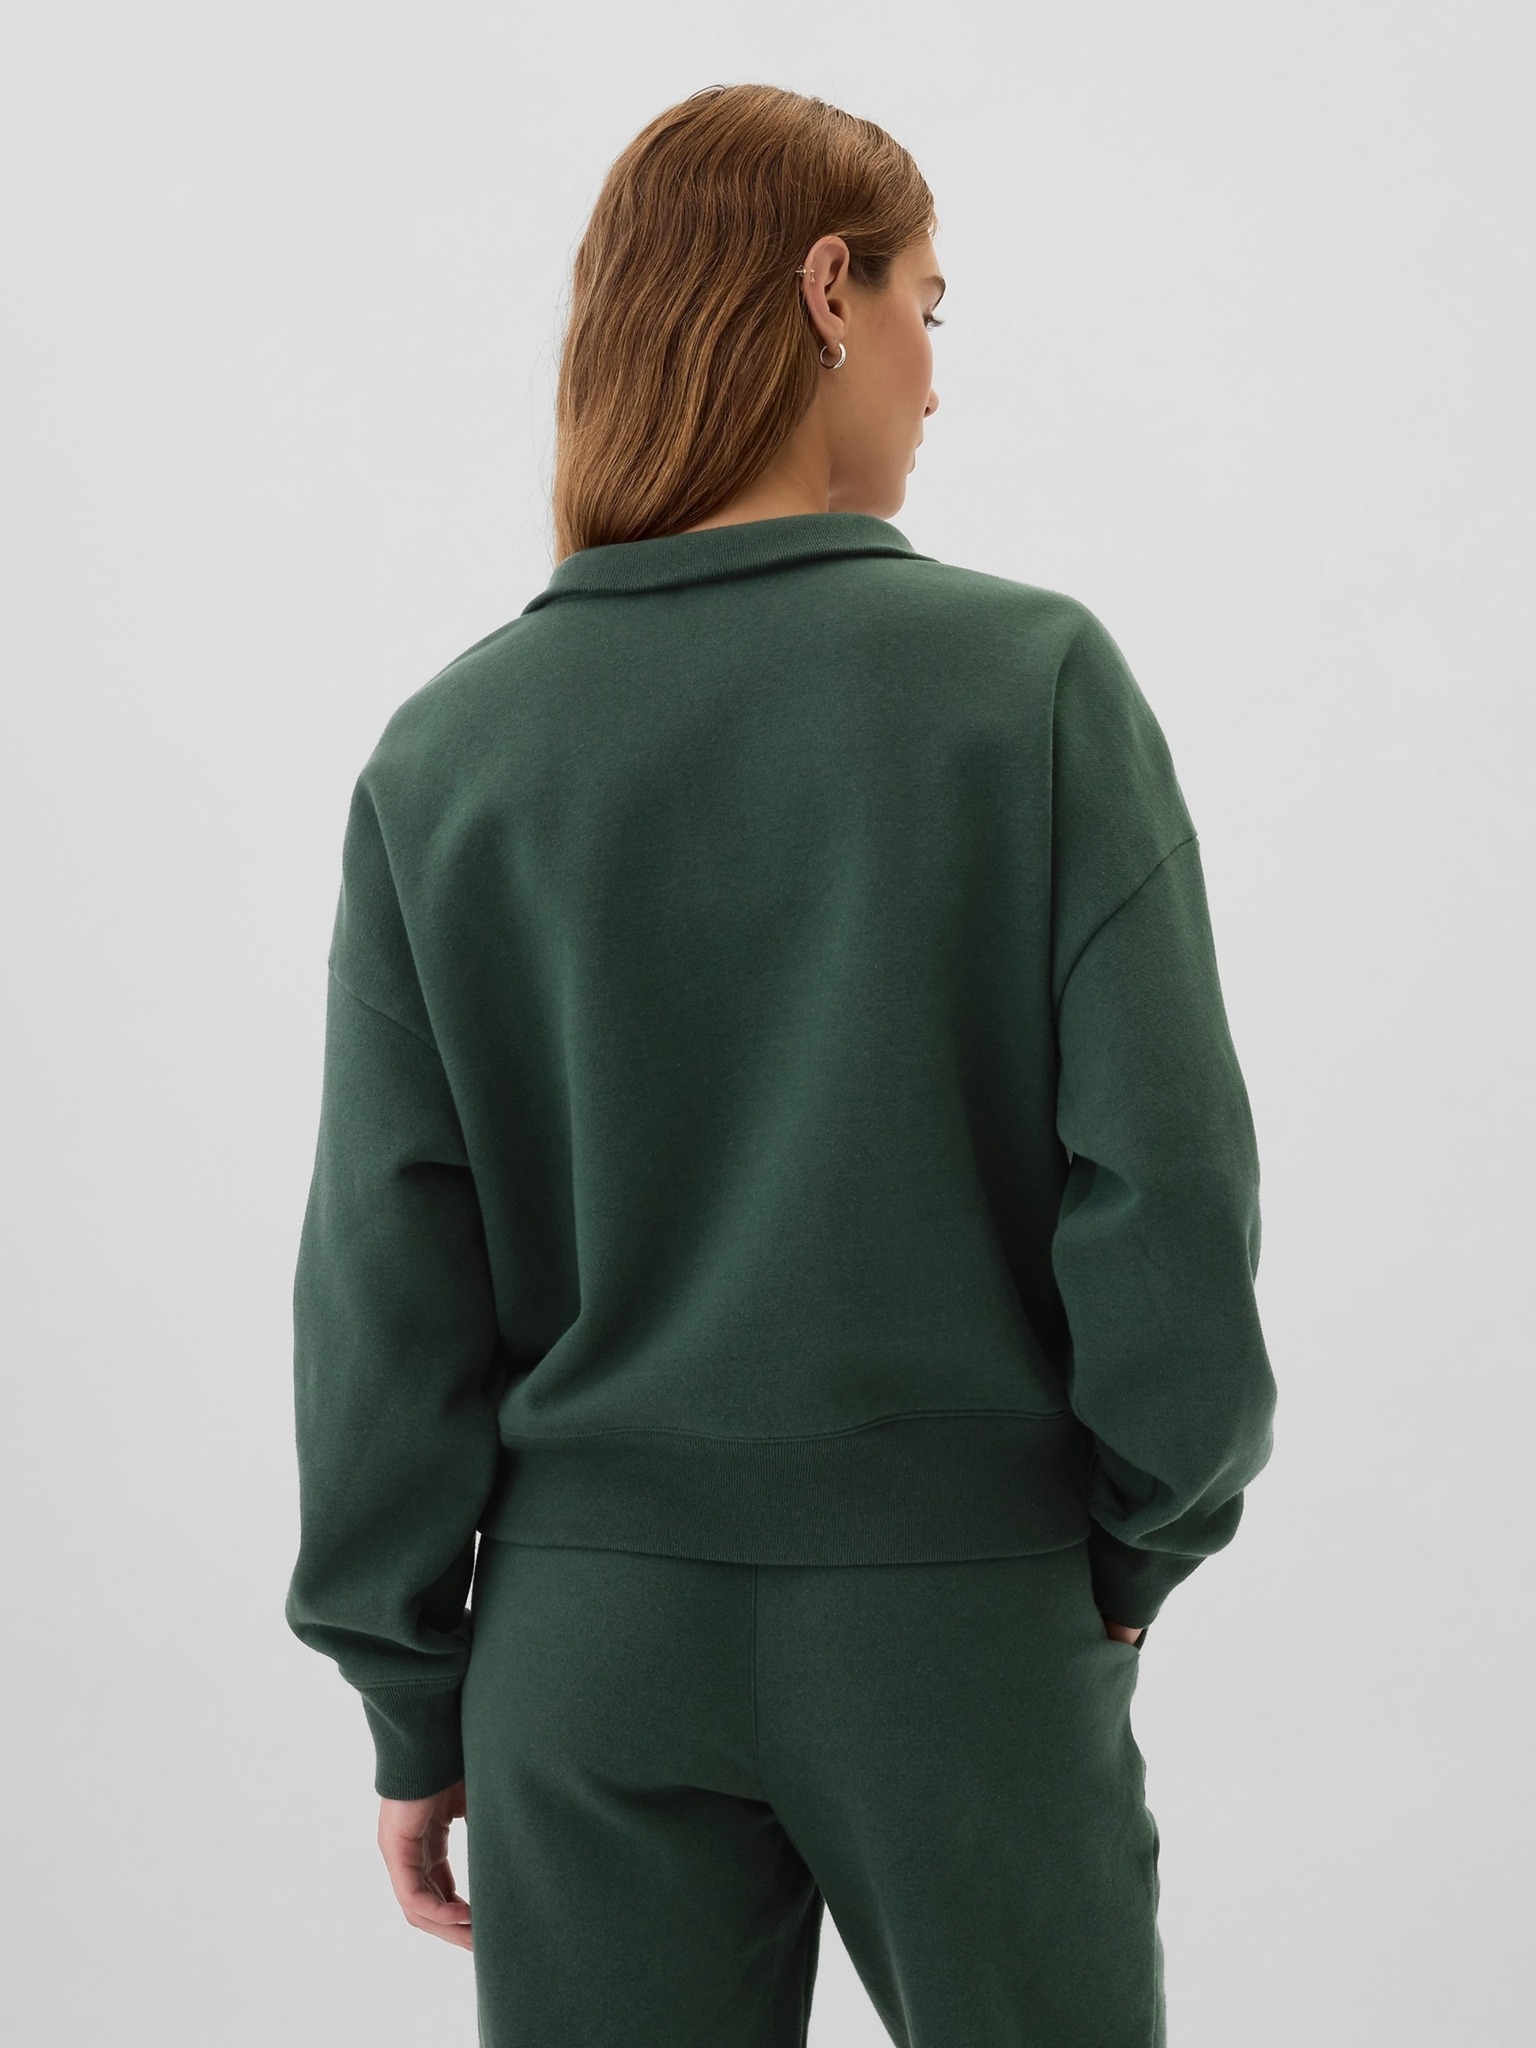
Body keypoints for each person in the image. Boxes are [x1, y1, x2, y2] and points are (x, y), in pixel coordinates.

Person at [284, 82, 1277, 2048]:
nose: (936, 373)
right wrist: (1132, 1541)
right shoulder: (1033, 687)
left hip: (583, 1652)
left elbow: (387, 1283)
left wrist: (416, 1696)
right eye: (928, 303)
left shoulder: (447, 756)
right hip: (964, 1615)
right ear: (830, 288)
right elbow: (1166, 1192)